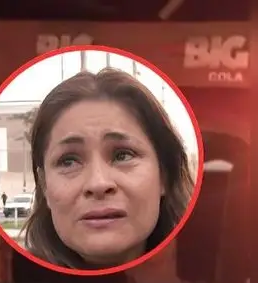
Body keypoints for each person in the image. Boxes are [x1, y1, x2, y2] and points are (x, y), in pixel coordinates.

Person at [21, 68, 194, 270]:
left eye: (123, 155)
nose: (98, 183)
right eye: (68, 161)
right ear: (44, 187)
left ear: (164, 173)